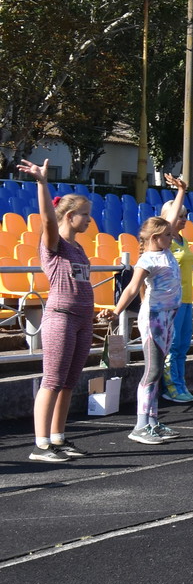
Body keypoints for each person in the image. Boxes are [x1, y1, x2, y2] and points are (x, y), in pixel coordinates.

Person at [17, 160, 99, 461]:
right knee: (52, 380)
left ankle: (58, 437)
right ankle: (41, 445)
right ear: (69, 215)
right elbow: (48, 221)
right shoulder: (54, 243)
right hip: (61, 317)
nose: (90, 220)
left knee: (69, 382)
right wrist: (42, 183)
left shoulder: (78, 248)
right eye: (85, 215)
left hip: (82, 319)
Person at [110, 214, 185, 443]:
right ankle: (140, 425)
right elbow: (132, 289)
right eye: (167, 236)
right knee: (152, 371)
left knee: (158, 370)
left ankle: (152, 421)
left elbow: (170, 220)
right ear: (155, 238)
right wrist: (116, 311)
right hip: (154, 318)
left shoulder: (166, 252)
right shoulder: (147, 260)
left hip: (168, 317)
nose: (172, 239)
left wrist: (181, 191)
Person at [158, 174, 193, 405]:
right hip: (171, 300)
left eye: (185, 216)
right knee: (172, 346)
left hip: (187, 298)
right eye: (180, 216)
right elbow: (169, 226)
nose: (183, 220)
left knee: (183, 345)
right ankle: (171, 387)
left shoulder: (184, 240)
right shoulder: (166, 240)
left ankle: (181, 384)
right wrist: (180, 191)